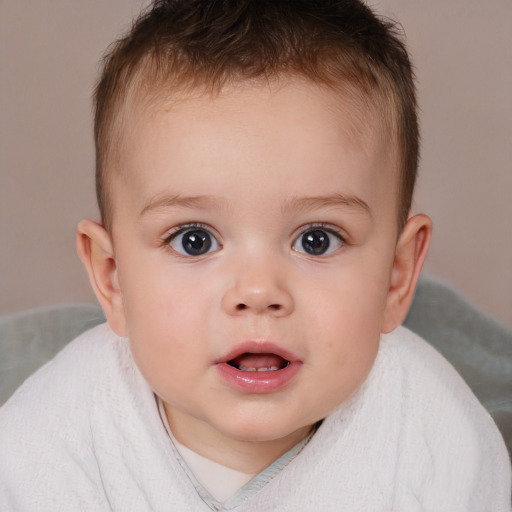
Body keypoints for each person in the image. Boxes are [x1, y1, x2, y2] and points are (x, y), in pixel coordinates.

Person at [0, 0, 510, 509]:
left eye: (317, 239)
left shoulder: (439, 442)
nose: (259, 291)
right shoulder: (48, 443)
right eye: (193, 240)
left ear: (396, 277)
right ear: (113, 279)